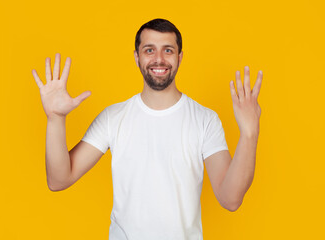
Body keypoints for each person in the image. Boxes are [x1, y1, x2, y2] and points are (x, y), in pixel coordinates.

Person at [32, 18, 262, 240]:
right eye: (149, 50)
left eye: (168, 50)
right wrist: (55, 119)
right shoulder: (113, 118)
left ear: (180, 57)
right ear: (137, 57)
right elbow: (59, 180)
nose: (159, 59)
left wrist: (249, 134)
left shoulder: (205, 119)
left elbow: (230, 199)